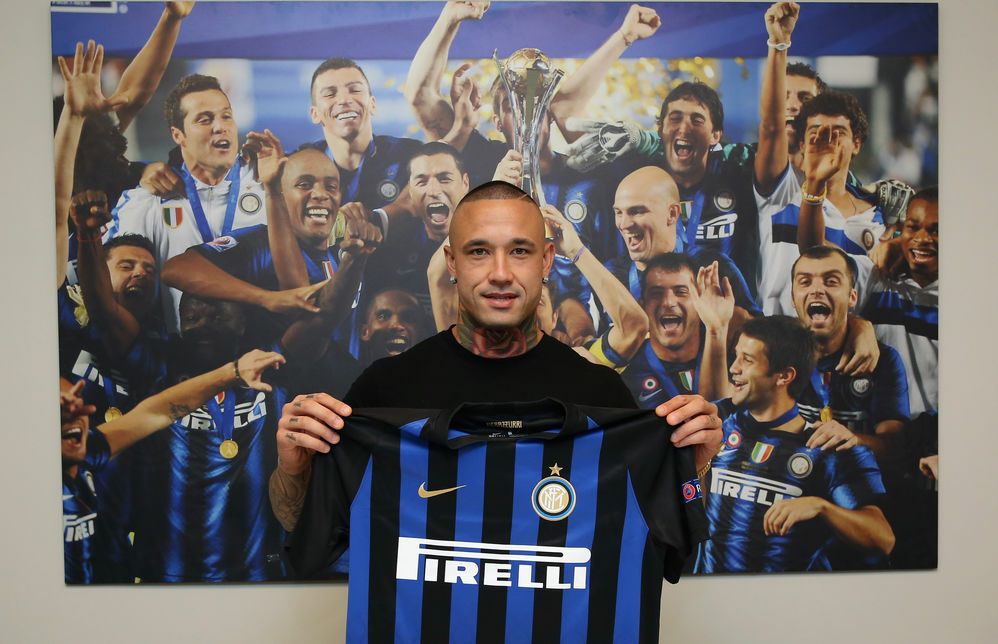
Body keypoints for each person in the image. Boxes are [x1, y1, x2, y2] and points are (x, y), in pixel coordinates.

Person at [269, 181, 722, 533]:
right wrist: (294, 471)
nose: (501, 273)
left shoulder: (598, 391)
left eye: (520, 251)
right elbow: (303, 524)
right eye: (479, 252)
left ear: (547, 260)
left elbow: (661, 530)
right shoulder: (386, 387)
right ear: (452, 263)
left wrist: (696, 466)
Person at [60, 348, 284, 583]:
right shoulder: (37, 476)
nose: (72, 416)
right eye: (62, 411)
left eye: (76, 404)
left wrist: (233, 372)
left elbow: (158, 411)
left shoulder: (92, 447)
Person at [696, 316, 894, 573]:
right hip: (712, 592)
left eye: (748, 360)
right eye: (736, 356)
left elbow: (883, 539)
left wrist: (821, 507)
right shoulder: (721, 425)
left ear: (784, 376)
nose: (734, 368)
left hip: (789, 595)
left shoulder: (828, 445)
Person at [162, 138, 383, 361]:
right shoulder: (258, 243)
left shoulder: (343, 251)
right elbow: (176, 268)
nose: (320, 194)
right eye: (304, 184)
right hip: (276, 381)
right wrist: (265, 298)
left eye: (331, 187)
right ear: (282, 193)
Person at [105, 73, 268, 332]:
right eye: (205, 119)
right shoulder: (146, 200)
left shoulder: (269, 185)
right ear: (178, 135)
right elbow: (108, 286)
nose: (220, 127)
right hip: (179, 351)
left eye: (226, 116)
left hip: (261, 349)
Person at [790, 246, 910, 461]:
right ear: (792, 297)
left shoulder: (883, 360)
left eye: (831, 281)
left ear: (852, 296)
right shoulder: (777, 352)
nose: (816, 290)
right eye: (805, 282)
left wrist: (854, 439)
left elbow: (895, 447)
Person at [362, 142, 470, 318]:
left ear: (465, 183)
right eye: (422, 181)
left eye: (444, 179)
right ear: (410, 192)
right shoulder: (391, 252)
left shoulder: (491, 248)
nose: (434, 191)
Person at [308, 57, 425, 210]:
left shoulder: (410, 155)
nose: (344, 100)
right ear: (315, 114)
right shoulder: (297, 166)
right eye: (330, 94)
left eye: (355, 90)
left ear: (372, 104)